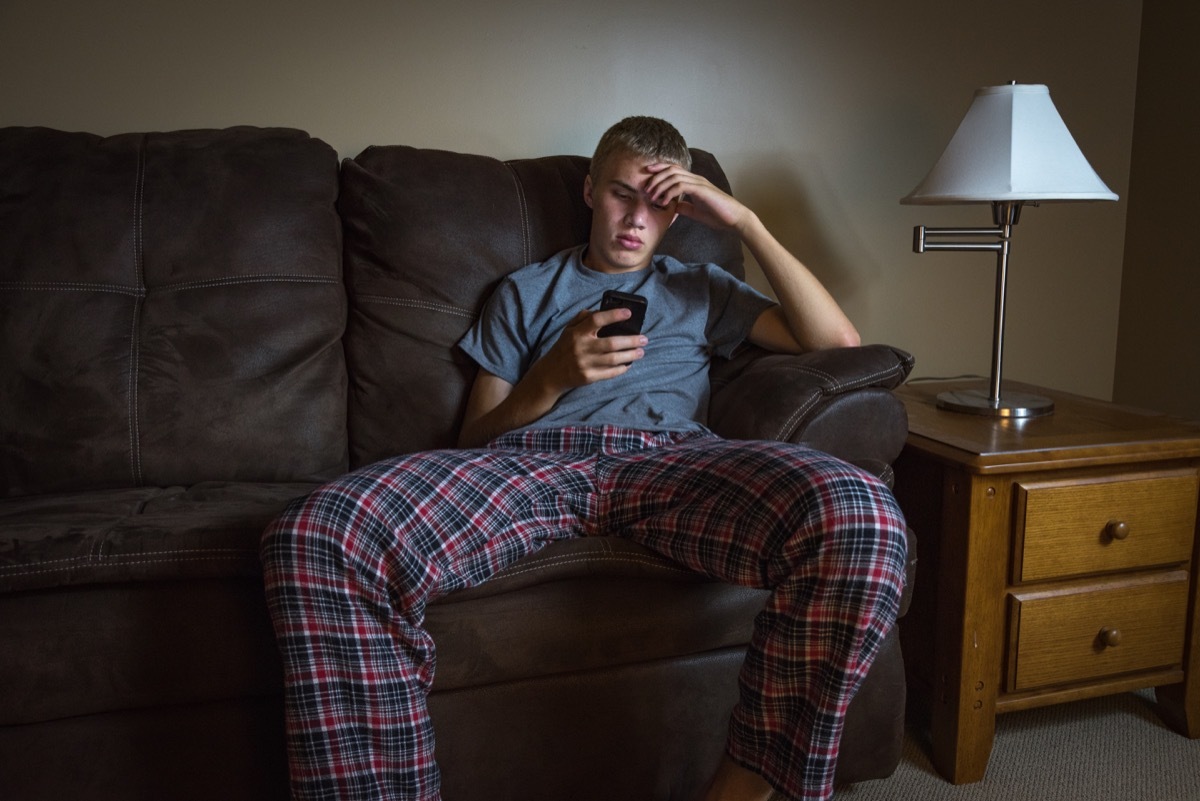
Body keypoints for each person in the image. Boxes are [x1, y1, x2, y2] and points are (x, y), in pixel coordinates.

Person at [261, 117, 908, 801]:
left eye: (661, 203)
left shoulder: (701, 286)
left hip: (670, 464)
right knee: (320, 533)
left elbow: (838, 340)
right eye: (624, 194)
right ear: (591, 190)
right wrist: (550, 378)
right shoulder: (524, 291)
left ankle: (738, 790)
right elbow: (475, 437)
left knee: (862, 516)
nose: (638, 218)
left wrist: (745, 221)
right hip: (531, 464)